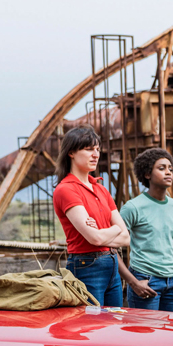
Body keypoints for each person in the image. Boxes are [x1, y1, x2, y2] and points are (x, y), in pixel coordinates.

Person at [52, 125, 129, 307]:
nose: (95, 154)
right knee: (91, 329)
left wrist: (104, 234)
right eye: (88, 149)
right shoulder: (66, 189)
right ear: (71, 152)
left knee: (113, 326)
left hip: (112, 265)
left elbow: (126, 238)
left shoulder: (101, 189)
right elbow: (94, 238)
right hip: (87, 266)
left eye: (97, 149)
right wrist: (115, 229)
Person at [118, 148, 173, 312]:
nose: (168, 173)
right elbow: (110, 248)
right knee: (146, 335)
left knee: (172, 335)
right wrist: (133, 282)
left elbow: (170, 242)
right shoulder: (133, 207)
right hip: (146, 281)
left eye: (170, 169)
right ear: (147, 174)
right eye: (162, 168)